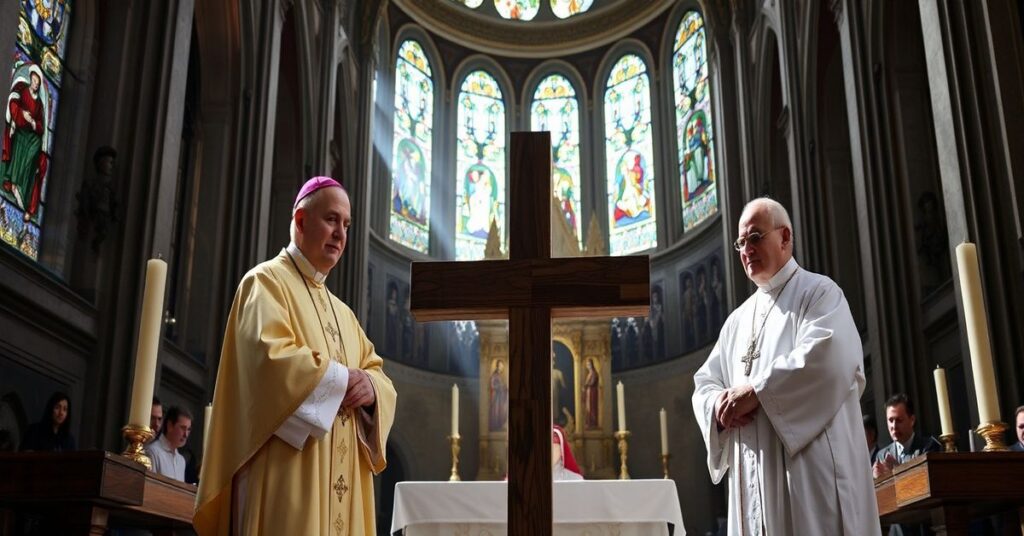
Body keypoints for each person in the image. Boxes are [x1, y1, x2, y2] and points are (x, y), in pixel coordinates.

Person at [194, 177, 397, 535]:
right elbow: (270, 360)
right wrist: (342, 379)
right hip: (287, 483)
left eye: (347, 225)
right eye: (331, 220)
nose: (340, 234)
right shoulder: (265, 283)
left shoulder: (345, 315)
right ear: (301, 221)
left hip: (341, 488)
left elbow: (377, 373)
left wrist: (370, 388)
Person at [691, 197, 879, 536]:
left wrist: (757, 392)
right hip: (751, 482)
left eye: (755, 237)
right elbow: (705, 383)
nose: (746, 249)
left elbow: (827, 357)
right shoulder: (736, 323)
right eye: (740, 242)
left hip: (808, 482)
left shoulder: (819, 293)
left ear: (785, 237)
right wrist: (718, 406)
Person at [0, 63, 48, 222]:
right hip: (20, 130)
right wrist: (21, 114)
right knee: (19, 144)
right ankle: (13, 184)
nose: (35, 84)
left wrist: (33, 123)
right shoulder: (23, 91)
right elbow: (14, 104)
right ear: (30, 80)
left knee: (33, 151)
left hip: (32, 135)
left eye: (37, 83)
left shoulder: (39, 104)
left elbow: (41, 126)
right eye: (34, 81)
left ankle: (20, 188)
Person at [872, 393, 941, 477]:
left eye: (899, 420)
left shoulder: (928, 447)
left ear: (912, 420)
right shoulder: (882, 456)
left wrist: (897, 471)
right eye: (890, 420)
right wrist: (877, 479)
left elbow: (927, 480)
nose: (894, 426)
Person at [146, 406, 191, 481]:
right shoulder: (152, 452)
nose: (186, 434)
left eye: (188, 429)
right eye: (183, 428)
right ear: (170, 426)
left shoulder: (181, 461)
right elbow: (149, 485)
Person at [489, 359, 508, 431]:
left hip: (500, 396)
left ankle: (500, 425)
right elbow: (492, 385)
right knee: (496, 411)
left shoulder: (499, 375)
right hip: (496, 397)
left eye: (502, 366)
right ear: (497, 366)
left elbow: (500, 385)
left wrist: (504, 387)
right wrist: (501, 386)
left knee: (501, 410)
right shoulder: (495, 375)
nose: (502, 367)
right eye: (501, 366)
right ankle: (495, 426)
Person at [583, 358, 599, 429]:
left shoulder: (594, 373)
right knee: (588, 407)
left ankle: (593, 423)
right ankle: (589, 422)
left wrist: (585, 385)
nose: (588, 366)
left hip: (592, 392)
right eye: (587, 365)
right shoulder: (589, 374)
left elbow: (592, 383)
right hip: (588, 392)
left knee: (592, 407)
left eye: (589, 364)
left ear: (592, 365)